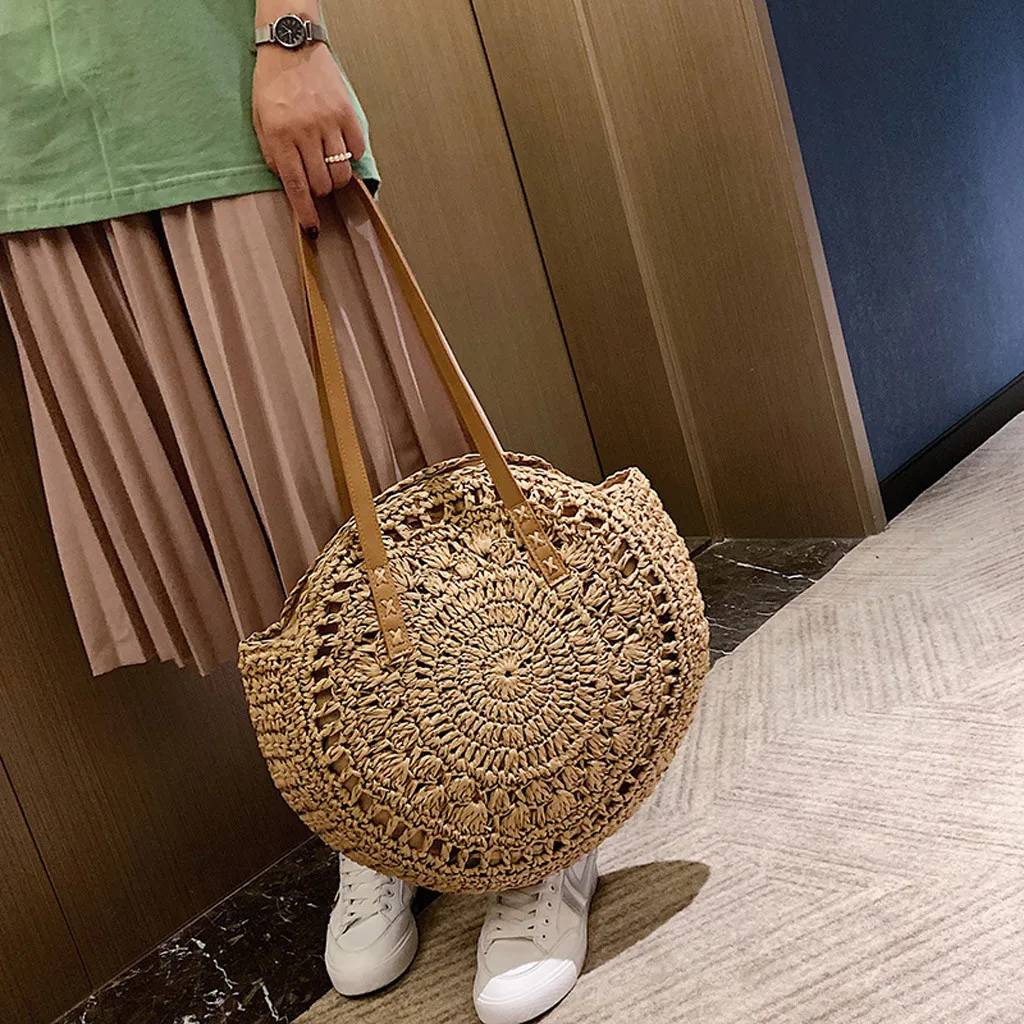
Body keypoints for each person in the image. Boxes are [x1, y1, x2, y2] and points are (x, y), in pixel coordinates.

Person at [0, 3, 597, 1021]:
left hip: (200, 78)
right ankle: (376, 811)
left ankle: (536, 810)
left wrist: (289, 34)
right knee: (239, 535)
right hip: (30, 146)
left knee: (372, 491)